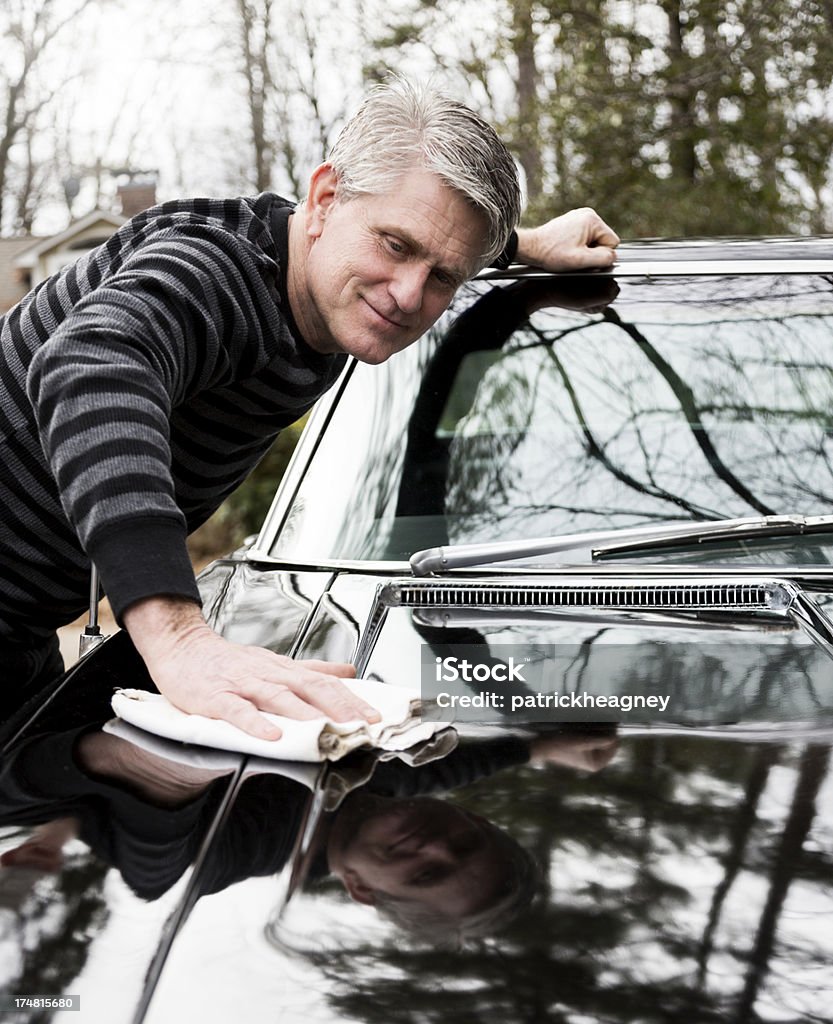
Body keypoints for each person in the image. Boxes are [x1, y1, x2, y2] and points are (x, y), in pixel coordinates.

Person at [0, 78, 619, 735]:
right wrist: (178, 636)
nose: (409, 295)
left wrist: (522, 245)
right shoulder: (219, 272)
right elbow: (90, 362)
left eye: (442, 277)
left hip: (21, 636)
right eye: (394, 245)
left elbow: (434, 232)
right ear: (325, 199)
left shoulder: (330, 268)